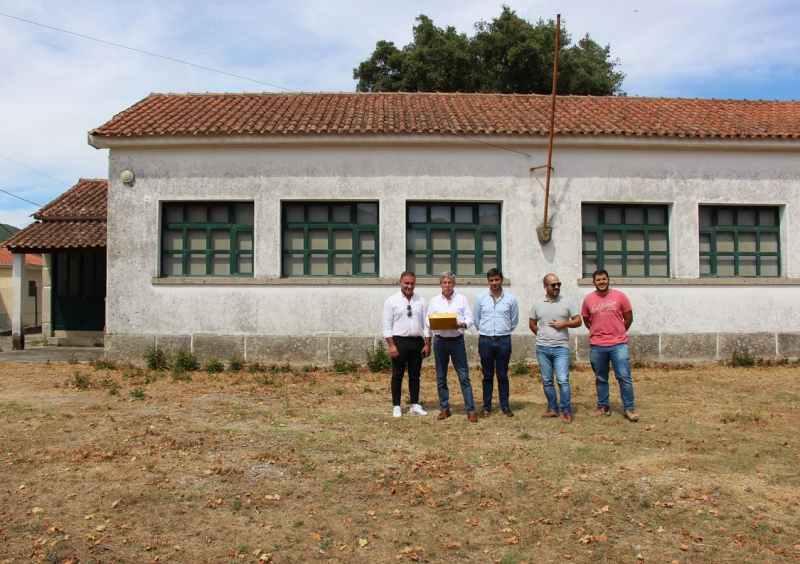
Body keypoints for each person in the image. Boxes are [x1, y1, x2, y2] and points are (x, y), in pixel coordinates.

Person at [581, 269, 639, 422]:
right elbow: (587, 320)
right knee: (601, 378)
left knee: (624, 377)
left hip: (618, 345)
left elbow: (628, 317)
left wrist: (619, 331)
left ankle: (629, 408)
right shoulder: (588, 299)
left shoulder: (620, 296)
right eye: (598, 280)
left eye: (604, 279)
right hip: (597, 345)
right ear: (594, 282)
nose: (602, 282)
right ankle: (603, 407)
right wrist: (597, 331)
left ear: (608, 280)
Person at [425, 272, 478, 422]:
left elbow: (470, 319)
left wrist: (461, 324)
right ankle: (444, 408)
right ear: (440, 284)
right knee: (441, 377)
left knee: (464, 376)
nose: (447, 285)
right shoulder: (435, 301)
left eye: (450, 282)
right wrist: (434, 325)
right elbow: (427, 322)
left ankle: (471, 410)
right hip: (440, 342)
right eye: (444, 282)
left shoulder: (461, 300)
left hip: (457, 342)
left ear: (454, 284)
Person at [529, 273, 582, 423]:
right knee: (547, 380)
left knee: (563, 380)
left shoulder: (567, 302)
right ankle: (552, 408)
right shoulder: (537, 303)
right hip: (543, 348)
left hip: (561, 348)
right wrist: (542, 334)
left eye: (559, 284)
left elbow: (578, 321)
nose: (557, 287)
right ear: (545, 287)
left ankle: (566, 410)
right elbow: (532, 323)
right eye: (553, 285)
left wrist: (563, 324)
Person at [382, 271, 431, 418]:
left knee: (415, 375)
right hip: (399, 341)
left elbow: (427, 324)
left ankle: (414, 404)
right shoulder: (392, 301)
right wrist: (392, 345)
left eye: (412, 283)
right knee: (397, 375)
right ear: (400, 282)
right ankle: (396, 405)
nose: (409, 286)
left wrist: (427, 343)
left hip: (417, 342)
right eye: (406, 283)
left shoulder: (420, 301)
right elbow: (387, 325)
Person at [473, 268, 519, 417]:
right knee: (487, 375)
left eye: (497, 280)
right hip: (485, 340)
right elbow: (477, 319)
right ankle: (486, 406)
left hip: (503, 340)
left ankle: (505, 406)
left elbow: (514, 320)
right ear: (488, 281)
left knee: (502, 374)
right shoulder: (480, 298)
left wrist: (502, 331)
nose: (494, 283)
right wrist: (487, 331)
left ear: (502, 280)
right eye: (491, 280)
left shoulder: (510, 299)